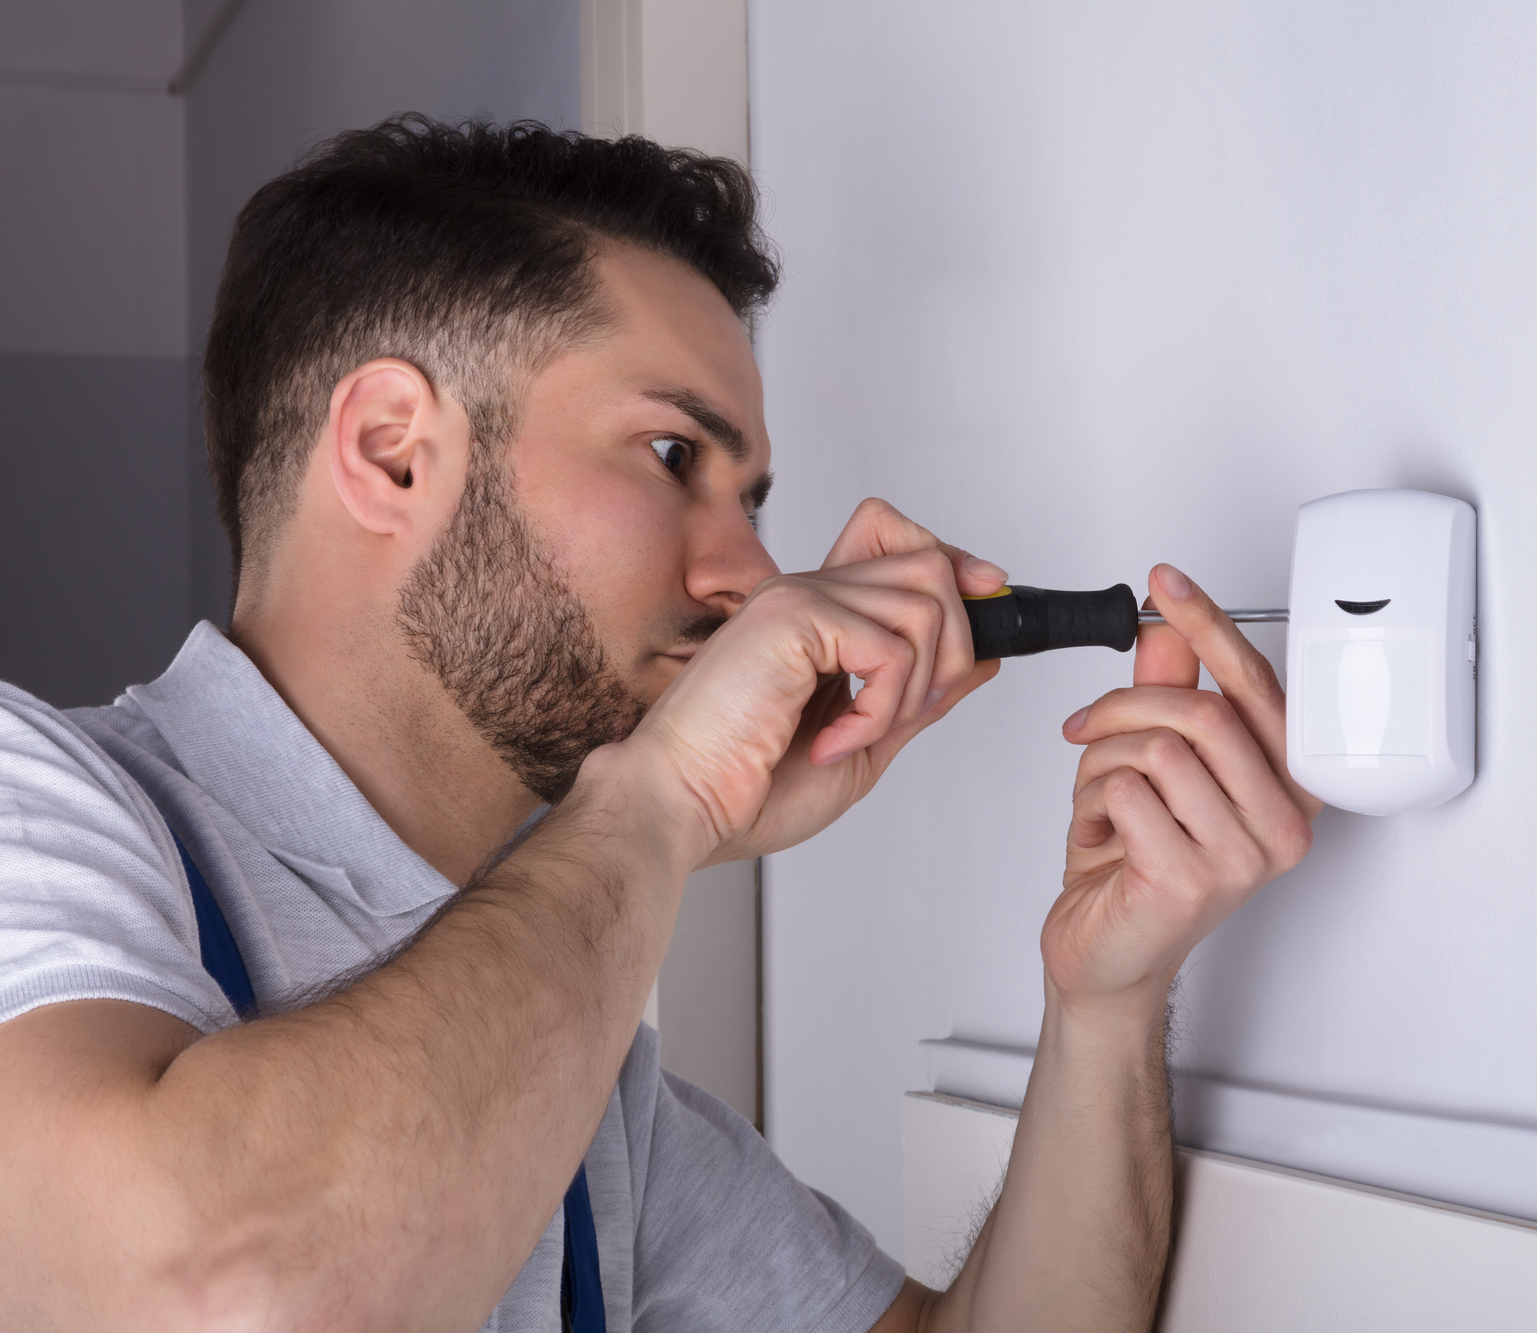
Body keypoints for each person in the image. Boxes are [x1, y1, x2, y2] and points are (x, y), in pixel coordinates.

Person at [0, 116, 1317, 1332]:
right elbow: (203, 1289)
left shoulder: (588, 1102)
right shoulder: (37, 807)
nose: (753, 576)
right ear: (395, 450)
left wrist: (1105, 998)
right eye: (677, 458)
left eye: (751, 498)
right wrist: (660, 799)